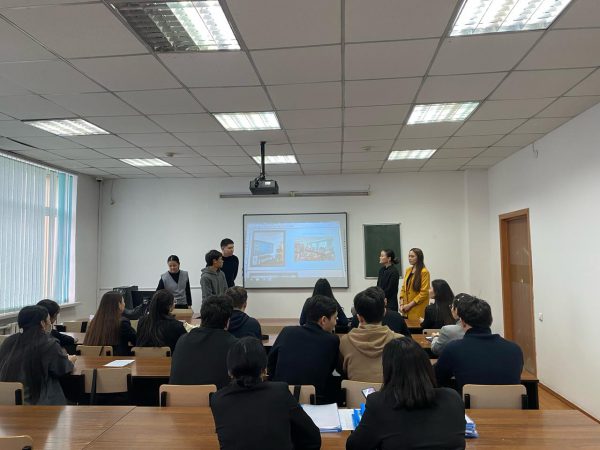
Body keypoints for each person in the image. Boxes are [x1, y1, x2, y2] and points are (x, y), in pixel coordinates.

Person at [346, 337, 465, 450]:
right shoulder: (453, 397)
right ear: (426, 365)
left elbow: (354, 446)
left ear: (388, 370)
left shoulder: (379, 403)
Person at [211, 337, 321, 450]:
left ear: (229, 372)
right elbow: (312, 438)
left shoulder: (218, 400)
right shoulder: (280, 392)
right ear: (264, 370)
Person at [434, 296, 524, 392]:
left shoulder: (453, 349)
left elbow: (436, 377)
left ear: (463, 322)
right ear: (490, 321)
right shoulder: (515, 349)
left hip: (468, 401)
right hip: (509, 401)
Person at [268, 295, 339, 402]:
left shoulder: (287, 332)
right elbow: (329, 370)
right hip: (314, 400)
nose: (335, 323)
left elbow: (271, 362)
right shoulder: (332, 340)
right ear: (324, 320)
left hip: (280, 397)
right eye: (335, 318)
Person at [0, 305, 76, 405]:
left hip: (7, 402)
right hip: (40, 403)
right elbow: (62, 369)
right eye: (48, 320)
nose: (50, 323)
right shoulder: (49, 344)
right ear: (42, 323)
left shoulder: (8, 341)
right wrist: (71, 360)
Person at [170, 295, 237, 389]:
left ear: (202, 318)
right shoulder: (233, 345)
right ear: (227, 321)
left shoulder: (183, 340)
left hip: (177, 396)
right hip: (214, 397)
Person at [339, 287, 403, 382]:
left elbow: (342, 370)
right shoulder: (400, 341)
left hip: (355, 391)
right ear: (384, 313)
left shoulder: (345, 341)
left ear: (359, 318)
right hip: (389, 390)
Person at [84, 291, 136, 356]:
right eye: (123, 302)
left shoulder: (94, 322)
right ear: (119, 304)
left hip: (94, 360)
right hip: (117, 360)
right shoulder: (122, 323)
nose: (124, 304)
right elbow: (137, 341)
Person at [136, 289, 187, 353]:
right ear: (169, 307)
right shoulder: (177, 326)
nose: (174, 304)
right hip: (170, 358)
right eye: (174, 302)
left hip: (143, 358)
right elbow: (185, 346)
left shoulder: (142, 322)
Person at [399, 248, 430, 321]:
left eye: (412, 256)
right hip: (405, 309)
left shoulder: (424, 272)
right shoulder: (408, 270)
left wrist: (409, 305)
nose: (409, 258)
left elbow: (424, 293)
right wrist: (401, 304)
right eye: (409, 256)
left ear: (419, 258)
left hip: (416, 309)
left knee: (415, 327)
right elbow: (403, 288)